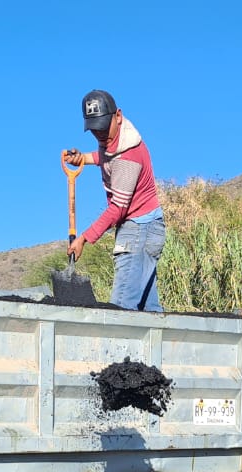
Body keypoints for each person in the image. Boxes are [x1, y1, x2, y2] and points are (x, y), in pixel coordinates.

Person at [62, 90, 165, 312]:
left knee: (121, 307)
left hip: (138, 229)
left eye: (103, 127)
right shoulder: (118, 139)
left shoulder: (128, 157)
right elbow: (105, 156)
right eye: (94, 129)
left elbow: (118, 208)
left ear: (117, 115)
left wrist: (84, 238)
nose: (99, 134)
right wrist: (83, 159)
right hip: (148, 226)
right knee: (149, 308)